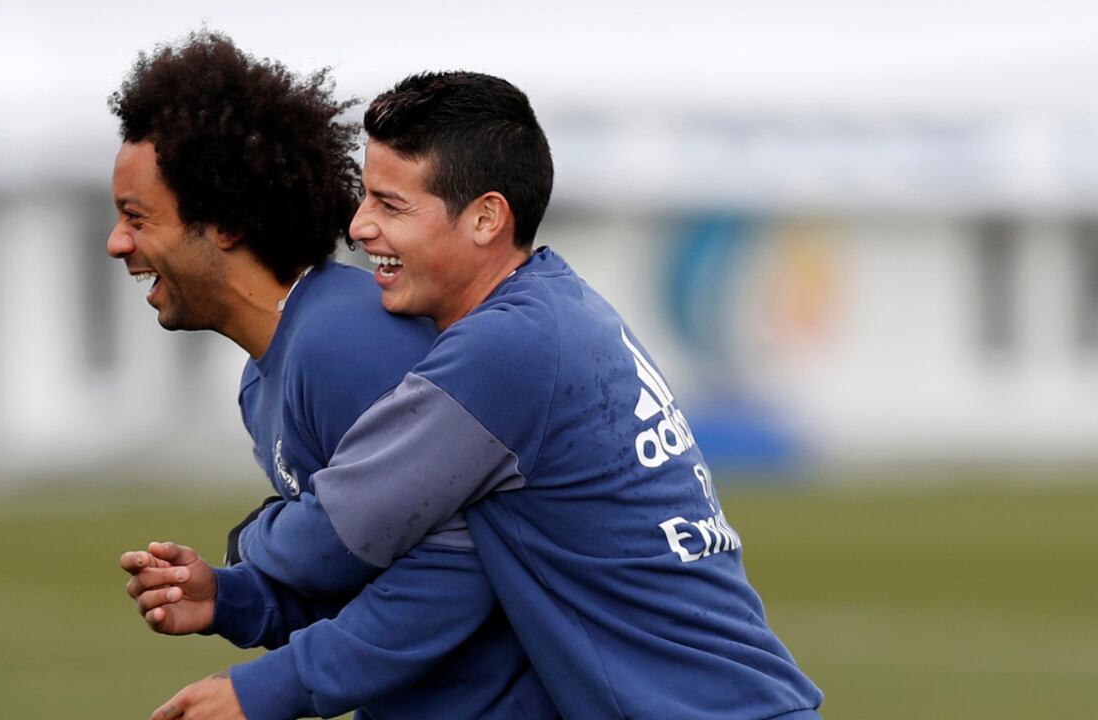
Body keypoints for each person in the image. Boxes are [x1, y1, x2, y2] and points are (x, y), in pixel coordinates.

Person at [143, 71, 825, 719]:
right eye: (364, 197)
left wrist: (245, 554)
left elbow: (337, 533)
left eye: (389, 204)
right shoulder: (556, 310)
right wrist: (235, 600)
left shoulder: (506, 349)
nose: (357, 226)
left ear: (485, 219)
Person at [106, 32, 553, 720]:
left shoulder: (343, 338)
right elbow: (364, 566)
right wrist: (230, 598)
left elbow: (462, 566)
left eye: (136, 217)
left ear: (223, 222)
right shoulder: (265, 379)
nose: (117, 243)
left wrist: (267, 692)